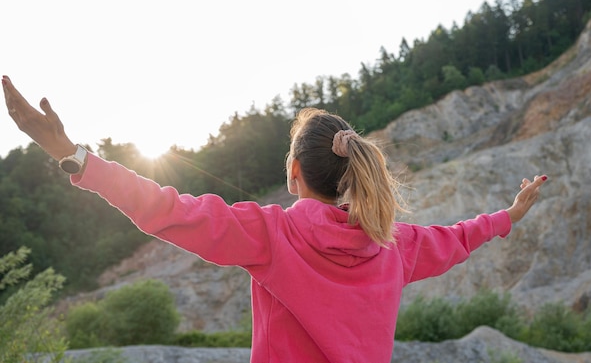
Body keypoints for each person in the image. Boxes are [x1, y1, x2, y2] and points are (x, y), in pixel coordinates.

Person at [2, 75, 547, 362]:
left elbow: (164, 208)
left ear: (293, 173)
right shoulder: (393, 244)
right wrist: (508, 215)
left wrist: (73, 155)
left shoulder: (271, 234)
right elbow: (457, 238)